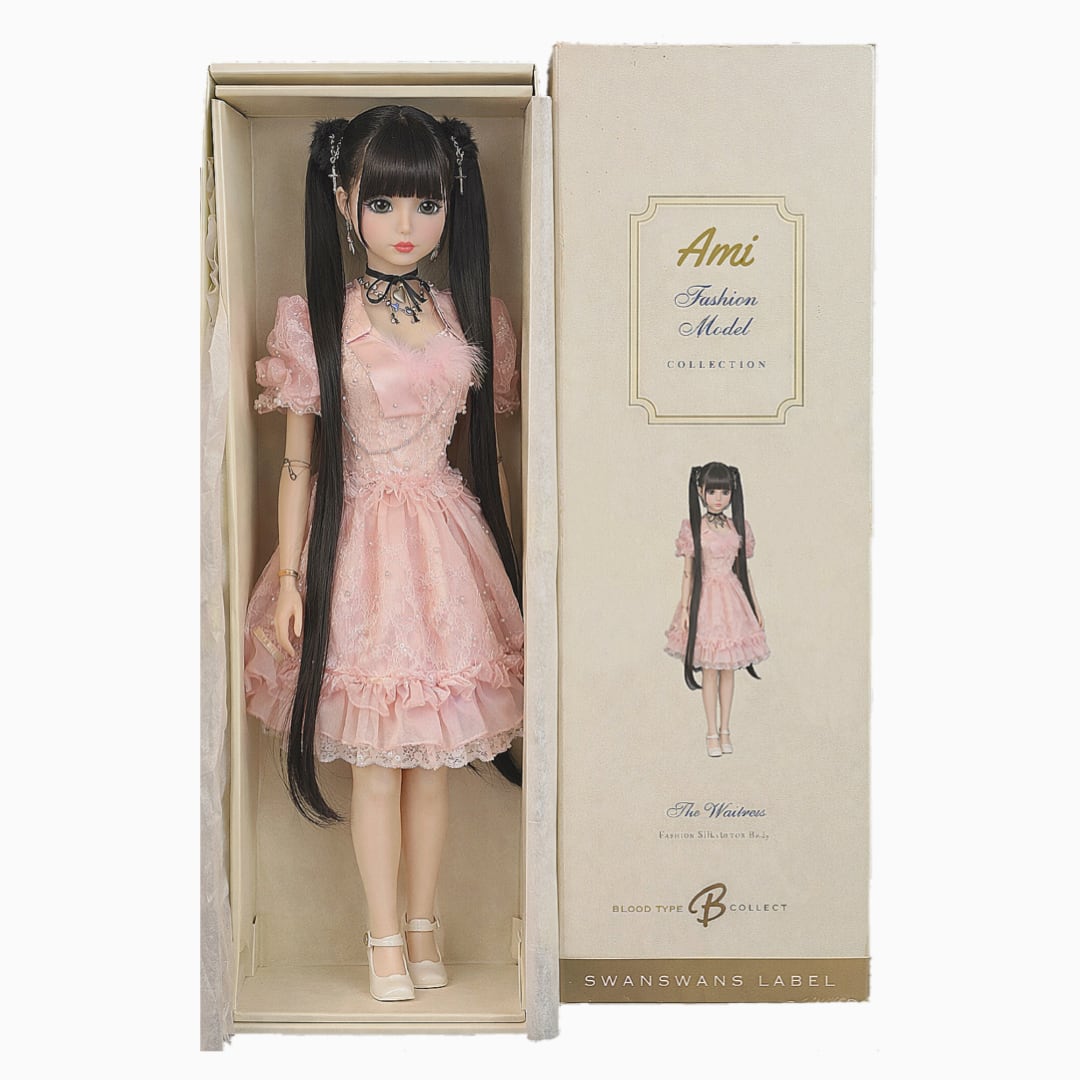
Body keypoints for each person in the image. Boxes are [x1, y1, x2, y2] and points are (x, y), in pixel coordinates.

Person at [242, 106, 523, 1001]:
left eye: (427, 205)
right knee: (375, 766)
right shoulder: (317, 322)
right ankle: (383, 939)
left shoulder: (466, 315)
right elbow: (298, 463)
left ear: (452, 208)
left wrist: (509, 571)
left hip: (446, 548)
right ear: (343, 201)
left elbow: (488, 459)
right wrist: (291, 577)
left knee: (434, 768)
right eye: (384, 202)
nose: (406, 226)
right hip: (356, 544)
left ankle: (427, 924)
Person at [664, 462, 768, 757]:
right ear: (701, 491)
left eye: (724, 491)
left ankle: (725, 730)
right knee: (710, 668)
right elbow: (688, 573)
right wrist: (685, 607)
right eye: (712, 492)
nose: (718, 498)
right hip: (706, 600)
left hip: (732, 600)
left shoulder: (738, 527)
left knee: (728, 669)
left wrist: (756, 606)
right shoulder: (693, 528)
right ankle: (711, 732)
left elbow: (744, 571)